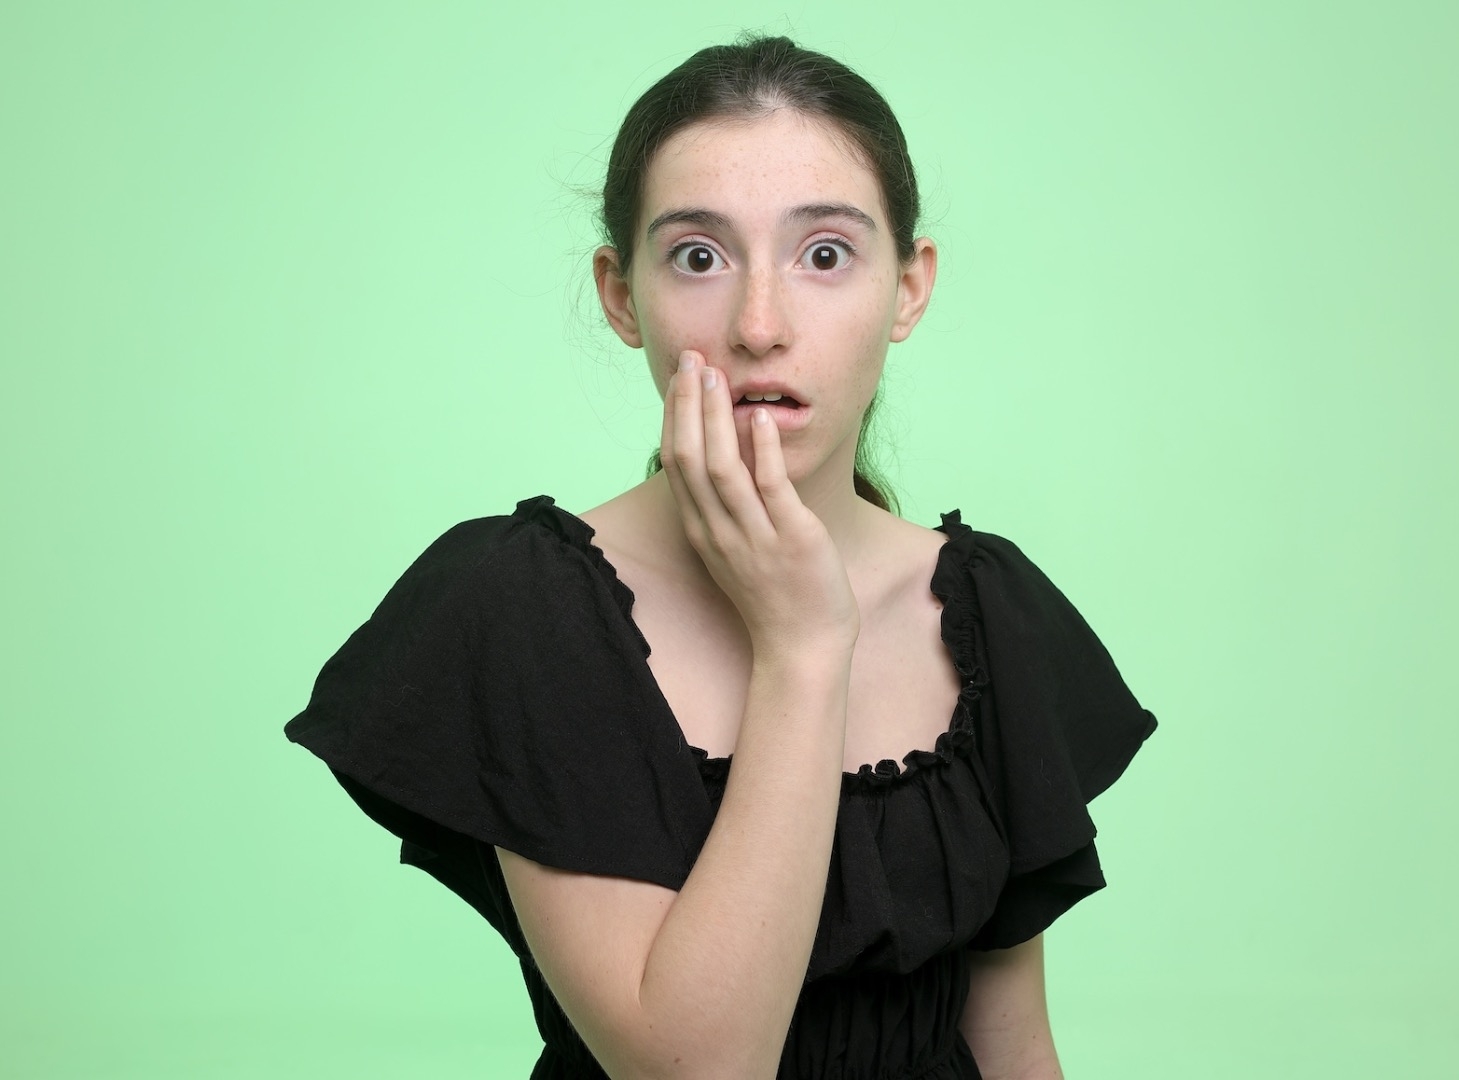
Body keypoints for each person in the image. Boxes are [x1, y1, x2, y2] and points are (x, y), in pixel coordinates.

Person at [285, 34, 1158, 1079]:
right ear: (621, 295)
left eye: (824, 254)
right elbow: (696, 1070)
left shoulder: (987, 613)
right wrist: (803, 645)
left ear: (909, 289)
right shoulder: (520, 606)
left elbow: (1014, 1046)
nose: (759, 325)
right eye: (699, 256)